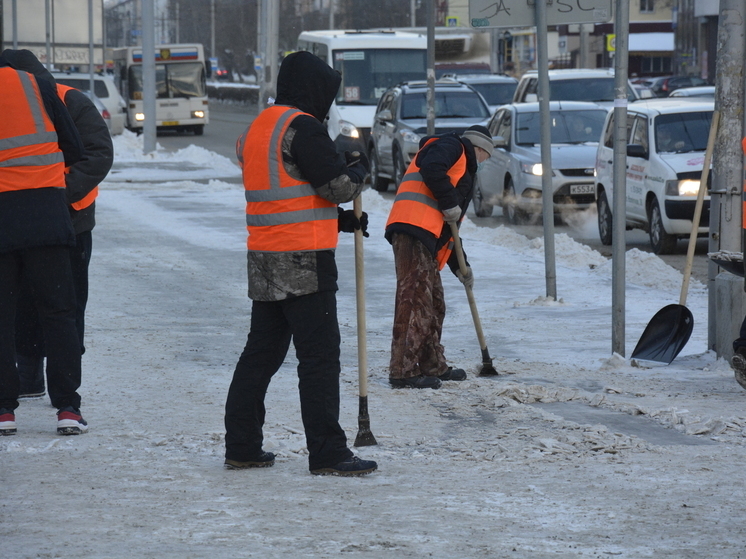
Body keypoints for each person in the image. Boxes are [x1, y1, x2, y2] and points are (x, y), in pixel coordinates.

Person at [223, 51, 377, 476]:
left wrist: (341, 222)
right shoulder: (302, 127)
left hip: (266, 259)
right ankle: (328, 453)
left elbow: (288, 189)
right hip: (305, 262)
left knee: (261, 355)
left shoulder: (260, 127)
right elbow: (337, 185)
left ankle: (241, 445)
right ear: (312, 88)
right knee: (319, 359)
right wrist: (361, 167)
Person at [2, 50, 114, 400]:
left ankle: (62, 385)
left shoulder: (68, 99)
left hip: (71, 222)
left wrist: (54, 192)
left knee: (67, 304)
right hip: (20, 220)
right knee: (21, 305)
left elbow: (98, 153)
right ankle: (31, 377)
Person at [0, 50, 86, 436]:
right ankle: (67, 407)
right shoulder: (39, 85)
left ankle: (4, 410)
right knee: (59, 313)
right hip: (47, 217)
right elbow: (75, 147)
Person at [384, 125, 493, 389]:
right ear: (479, 149)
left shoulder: (462, 167)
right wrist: (448, 201)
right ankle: (402, 371)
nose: (482, 164)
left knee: (434, 303)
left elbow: (450, 228)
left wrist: (462, 267)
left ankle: (433, 364)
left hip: (426, 235)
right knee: (414, 302)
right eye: (485, 158)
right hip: (412, 229)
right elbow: (432, 167)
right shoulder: (452, 146)